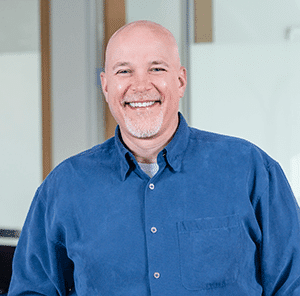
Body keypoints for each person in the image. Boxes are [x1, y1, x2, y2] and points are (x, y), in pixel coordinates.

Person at [8, 20, 300, 295]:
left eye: (156, 69)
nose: (140, 85)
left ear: (181, 80)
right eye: (124, 71)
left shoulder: (250, 169)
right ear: (106, 85)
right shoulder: (65, 186)